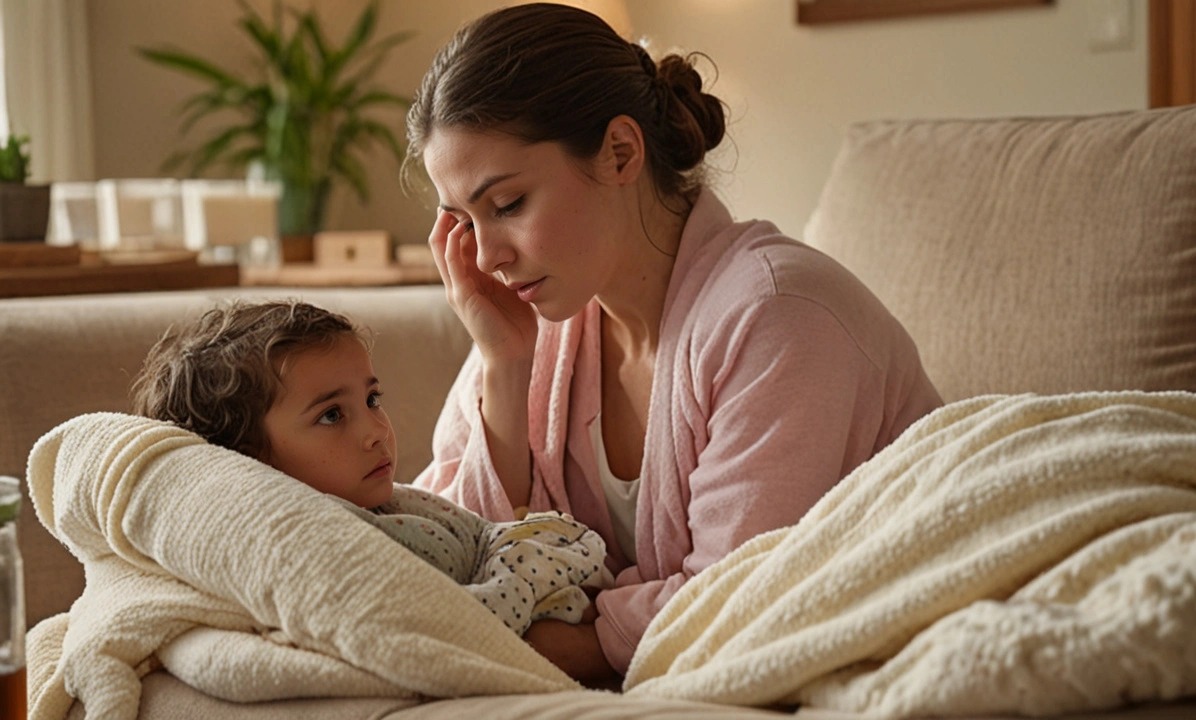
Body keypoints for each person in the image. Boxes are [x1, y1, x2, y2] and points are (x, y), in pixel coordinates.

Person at [404, 2, 943, 683]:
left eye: (507, 205)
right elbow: (446, 554)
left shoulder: (778, 314)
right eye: (461, 222)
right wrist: (504, 372)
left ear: (621, 152)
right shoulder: (538, 323)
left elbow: (730, 601)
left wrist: (502, 637)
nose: (484, 258)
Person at [130, 299, 611, 636]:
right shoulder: (316, 545)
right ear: (247, 459)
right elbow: (439, 624)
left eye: (372, 399)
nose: (376, 430)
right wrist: (530, 584)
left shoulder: (390, 502)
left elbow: (481, 534)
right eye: (332, 415)